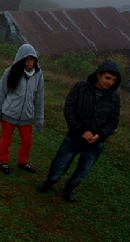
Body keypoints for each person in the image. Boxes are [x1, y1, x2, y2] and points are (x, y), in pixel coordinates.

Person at [37, 60, 121, 203]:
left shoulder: (114, 97)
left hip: (95, 143)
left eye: (114, 80)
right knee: (59, 164)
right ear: (99, 75)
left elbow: (113, 121)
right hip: (74, 137)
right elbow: (69, 110)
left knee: (83, 171)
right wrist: (81, 130)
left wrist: (100, 135)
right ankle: (50, 182)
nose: (110, 83)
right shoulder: (80, 88)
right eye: (108, 78)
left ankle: (69, 188)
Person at [0, 44, 44, 175]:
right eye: (27, 58)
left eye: (32, 59)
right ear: (21, 59)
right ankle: (4, 162)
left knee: (28, 142)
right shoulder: (10, 72)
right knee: (6, 140)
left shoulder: (38, 75)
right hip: (9, 114)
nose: (29, 62)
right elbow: (0, 93)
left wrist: (39, 120)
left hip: (26, 117)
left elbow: (39, 99)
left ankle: (22, 162)